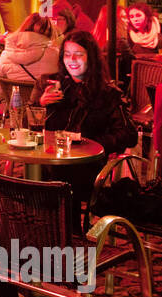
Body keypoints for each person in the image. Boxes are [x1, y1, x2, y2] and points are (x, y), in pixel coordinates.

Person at [38, 30, 137, 202]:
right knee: (28, 176)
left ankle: (65, 225)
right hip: (49, 159)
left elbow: (129, 135)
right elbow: (25, 128)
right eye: (67, 55)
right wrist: (40, 106)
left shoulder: (107, 94)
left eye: (78, 55)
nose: (72, 60)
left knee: (58, 181)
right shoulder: (53, 86)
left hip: (84, 167)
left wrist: (90, 144)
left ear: (90, 58)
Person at [0, 13, 61, 107]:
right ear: (50, 32)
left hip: (15, 111)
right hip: (46, 110)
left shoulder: (5, 56)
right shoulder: (56, 55)